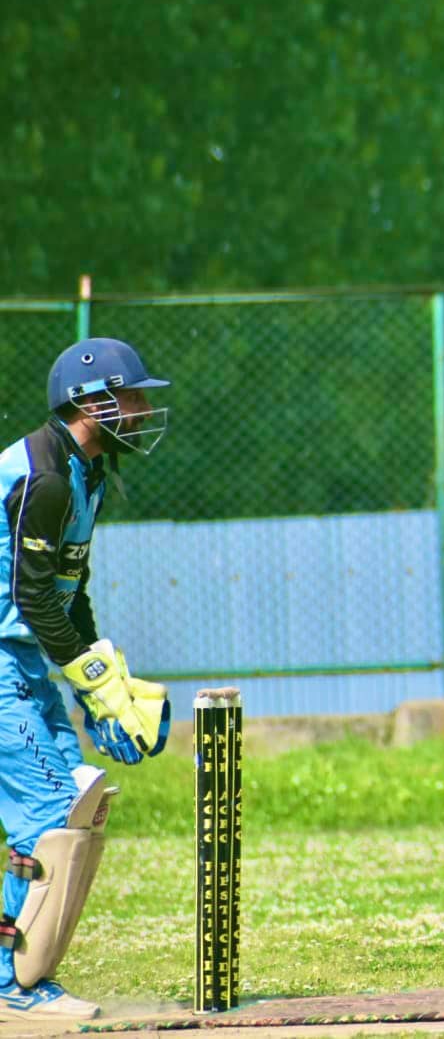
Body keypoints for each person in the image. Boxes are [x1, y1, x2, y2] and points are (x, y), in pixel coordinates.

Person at [0, 337, 173, 1021]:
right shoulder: (43, 474)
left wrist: (94, 679)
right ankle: (14, 988)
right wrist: (96, 683)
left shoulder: (88, 473)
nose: (142, 409)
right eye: (132, 396)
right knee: (49, 814)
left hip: (24, 658)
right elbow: (35, 596)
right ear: (90, 402)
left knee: (72, 808)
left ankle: (13, 973)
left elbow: (71, 587)